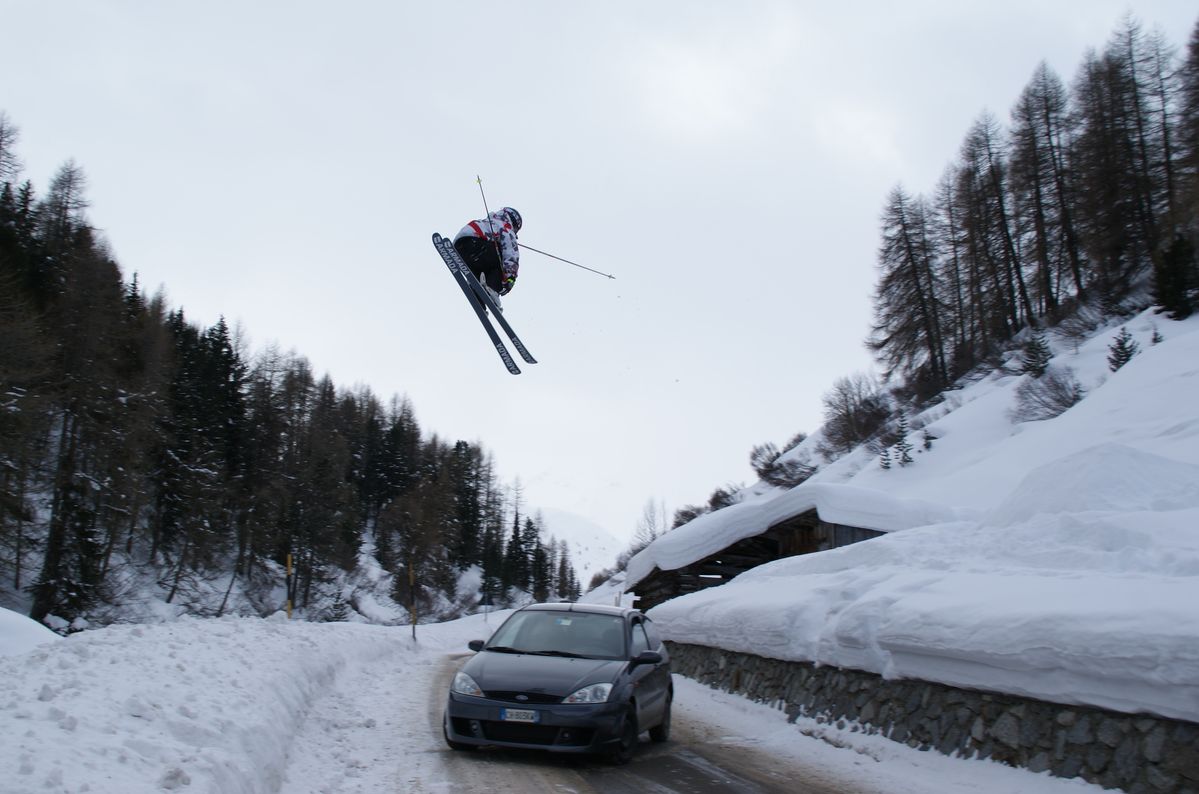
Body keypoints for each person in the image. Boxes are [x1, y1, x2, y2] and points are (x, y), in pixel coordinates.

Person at [453, 207, 522, 304]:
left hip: (461, 248)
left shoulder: (489, 222)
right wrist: (510, 278)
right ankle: (492, 288)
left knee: (485, 273)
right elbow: (511, 251)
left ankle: (478, 292)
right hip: (477, 246)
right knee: (502, 263)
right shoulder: (505, 226)